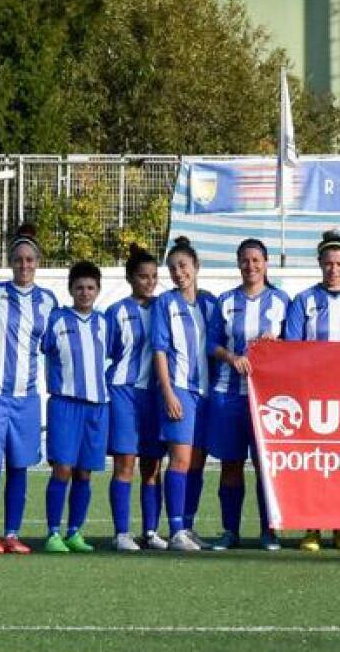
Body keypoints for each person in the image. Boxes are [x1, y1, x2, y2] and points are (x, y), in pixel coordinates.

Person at [0, 224, 59, 554]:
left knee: (19, 466)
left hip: (27, 396)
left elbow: (54, 346)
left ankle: (11, 534)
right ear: (10, 262)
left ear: (38, 262)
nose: (24, 265)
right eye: (19, 259)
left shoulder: (48, 302)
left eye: (30, 260)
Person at [286, 230, 340, 551]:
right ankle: (312, 528)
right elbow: (291, 348)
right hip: (313, 395)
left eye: (339, 263)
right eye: (328, 263)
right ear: (320, 264)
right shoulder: (304, 301)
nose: (333, 269)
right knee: (313, 463)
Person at [207, 239, 290, 552]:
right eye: (245, 260)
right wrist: (232, 358)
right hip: (229, 396)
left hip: (267, 399)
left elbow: (295, 344)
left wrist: (277, 342)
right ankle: (230, 531)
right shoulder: (226, 301)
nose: (250, 266)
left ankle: (269, 531)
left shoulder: (281, 301)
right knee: (231, 465)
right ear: (238, 263)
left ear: (266, 263)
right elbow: (211, 345)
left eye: (256, 260)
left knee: (266, 467)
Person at [151, 236, 217, 551]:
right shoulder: (165, 303)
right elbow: (160, 351)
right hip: (179, 390)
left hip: (206, 394)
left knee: (197, 464)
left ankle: (187, 527)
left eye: (183, 266)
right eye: (173, 268)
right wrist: (168, 393)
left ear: (196, 267)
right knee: (180, 460)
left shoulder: (210, 303)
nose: (179, 273)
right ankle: (175, 529)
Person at [41, 262, 110, 553]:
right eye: (79, 287)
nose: (85, 293)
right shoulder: (57, 320)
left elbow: (113, 354)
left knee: (85, 472)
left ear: (98, 291)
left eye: (90, 288)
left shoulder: (105, 323)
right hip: (65, 404)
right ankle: (53, 532)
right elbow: (43, 350)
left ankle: (74, 532)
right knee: (63, 470)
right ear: (70, 290)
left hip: (97, 407)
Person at [104, 244, 166, 551]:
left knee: (153, 466)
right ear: (130, 278)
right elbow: (109, 352)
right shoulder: (116, 312)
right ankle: (122, 533)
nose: (150, 282)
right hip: (123, 393)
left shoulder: (165, 307)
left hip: (155, 396)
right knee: (125, 463)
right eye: (143, 277)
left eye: (154, 276)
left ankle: (152, 531)